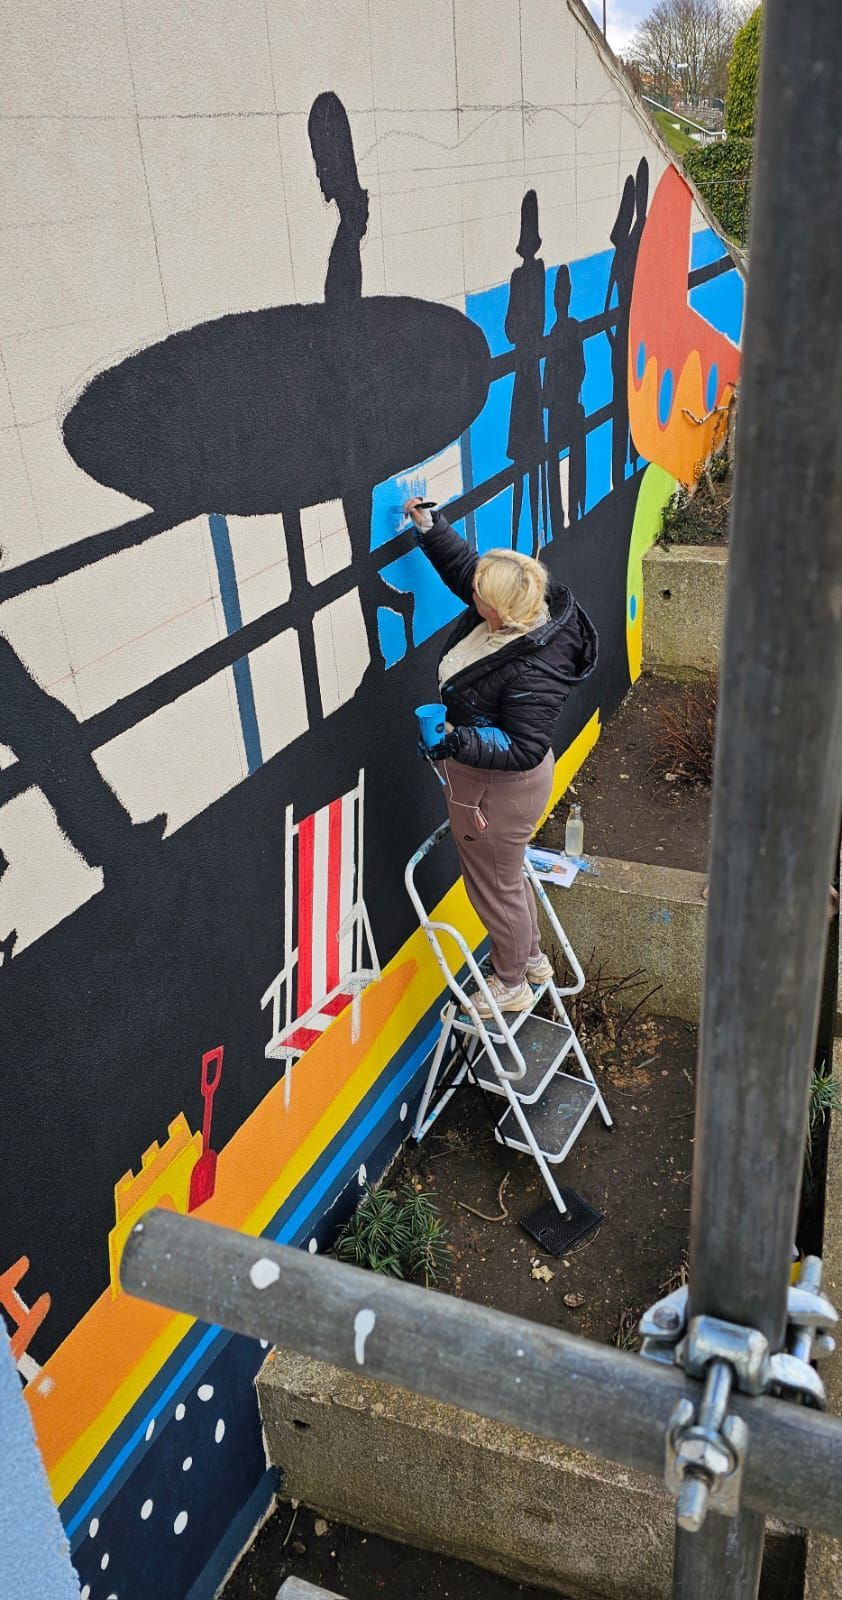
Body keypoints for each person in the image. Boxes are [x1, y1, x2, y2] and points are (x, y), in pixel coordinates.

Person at [405, 497, 597, 1016]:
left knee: (492, 885)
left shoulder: (531, 669)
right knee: (507, 878)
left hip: (497, 790)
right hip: (499, 785)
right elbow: (473, 574)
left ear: (501, 610)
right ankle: (531, 959)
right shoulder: (521, 608)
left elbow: (524, 746)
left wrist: (454, 740)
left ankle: (511, 984)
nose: (472, 595)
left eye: (480, 597)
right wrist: (431, 527)